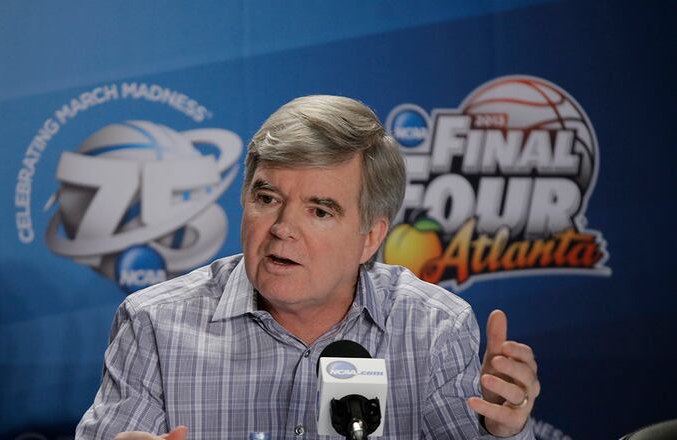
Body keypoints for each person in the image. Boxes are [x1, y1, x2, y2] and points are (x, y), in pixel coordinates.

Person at [76, 95, 540, 439]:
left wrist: (502, 433)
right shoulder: (154, 323)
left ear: (371, 236)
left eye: (320, 210)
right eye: (266, 198)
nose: (282, 228)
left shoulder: (434, 327)